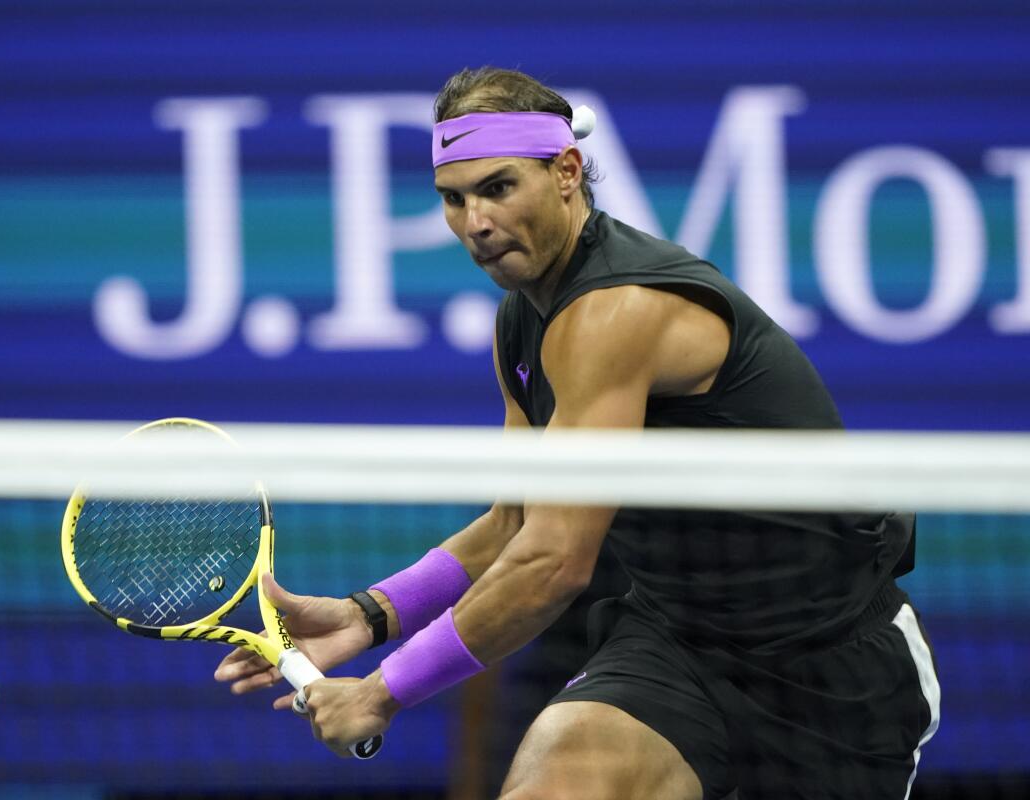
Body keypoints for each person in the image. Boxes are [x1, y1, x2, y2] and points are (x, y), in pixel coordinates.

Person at [215, 67, 940, 799]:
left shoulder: (616, 310)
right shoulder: (522, 320)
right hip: (678, 648)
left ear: (566, 172)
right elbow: (516, 520)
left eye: (498, 188)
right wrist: (368, 615)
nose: (475, 223)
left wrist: (381, 692)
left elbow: (554, 563)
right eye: (453, 199)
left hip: (830, 670)